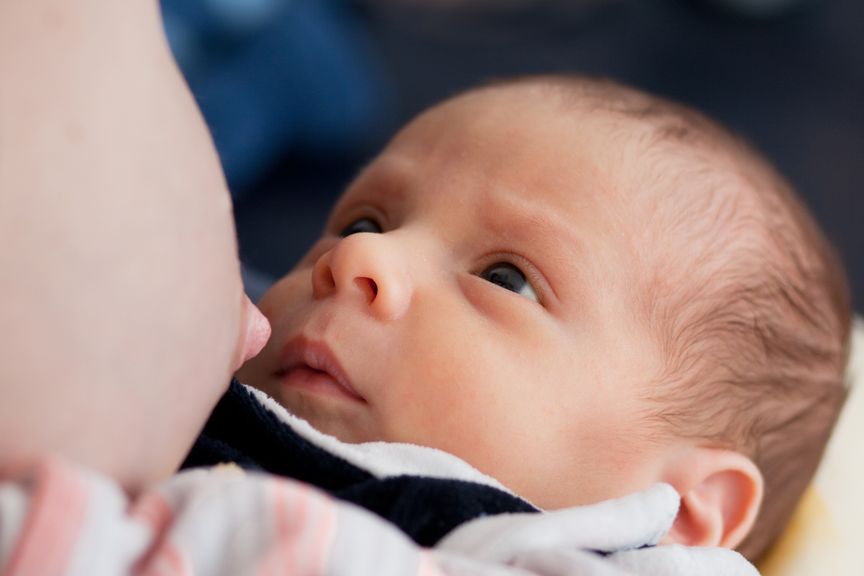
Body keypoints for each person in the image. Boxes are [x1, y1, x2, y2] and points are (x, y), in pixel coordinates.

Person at [234, 75, 851, 562]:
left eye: (506, 279)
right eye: (362, 222)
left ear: (679, 514)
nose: (358, 256)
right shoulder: (199, 365)